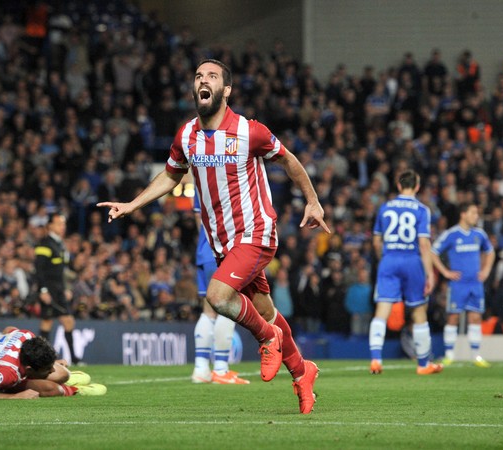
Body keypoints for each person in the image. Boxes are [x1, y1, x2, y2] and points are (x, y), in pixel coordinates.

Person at [98, 59, 330, 414]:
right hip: (222, 242)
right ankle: (302, 372)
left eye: (212, 76)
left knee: (220, 296)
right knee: (266, 311)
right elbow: (170, 176)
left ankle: (269, 339)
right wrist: (133, 204)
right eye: (198, 76)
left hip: (255, 231)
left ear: (227, 90)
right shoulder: (186, 135)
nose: (203, 80)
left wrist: (312, 201)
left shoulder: (249, 131)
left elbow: (289, 160)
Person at [368, 169, 443, 375]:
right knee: (419, 312)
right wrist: (429, 273)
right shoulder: (422, 209)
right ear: (417, 186)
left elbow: (376, 241)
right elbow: (424, 244)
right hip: (412, 261)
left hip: (389, 259)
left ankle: (376, 359)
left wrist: (384, 258)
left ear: (399, 186)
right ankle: (423, 364)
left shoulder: (385, 208)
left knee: (382, 311)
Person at [191, 191, 250, 385]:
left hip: (204, 250)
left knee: (208, 309)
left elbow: (198, 217)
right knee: (226, 304)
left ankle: (200, 369)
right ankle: (220, 369)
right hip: (225, 250)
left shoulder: (201, 174)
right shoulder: (229, 176)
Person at [431, 202, 495, 367]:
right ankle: (449, 355)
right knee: (453, 317)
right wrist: (445, 272)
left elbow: (490, 251)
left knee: (475, 318)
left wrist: (486, 270)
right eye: (473, 213)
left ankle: (475, 356)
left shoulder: (479, 234)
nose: (476, 216)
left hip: (475, 284)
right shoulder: (451, 234)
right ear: (463, 214)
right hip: (458, 284)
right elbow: (433, 252)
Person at [0, 326, 105, 399]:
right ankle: (76, 390)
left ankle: (69, 379)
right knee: (52, 388)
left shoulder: (26, 336)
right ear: (29, 370)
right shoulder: (5, 372)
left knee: (62, 374)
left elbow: (8, 330)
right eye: (48, 369)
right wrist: (14, 398)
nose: (52, 370)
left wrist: (50, 363)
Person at [34, 213, 81, 365]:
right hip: (49, 289)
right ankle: (44, 359)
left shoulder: (60, 245)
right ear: (50, 226)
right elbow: (39, 269)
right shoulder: (44, 244)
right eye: (59, 224)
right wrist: (43, 290)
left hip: (59, 290)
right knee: (51, 322)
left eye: (63, 224)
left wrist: (66, 288)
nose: (63, 227)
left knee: (61, 321)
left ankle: (68, 358)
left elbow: (63, 271)